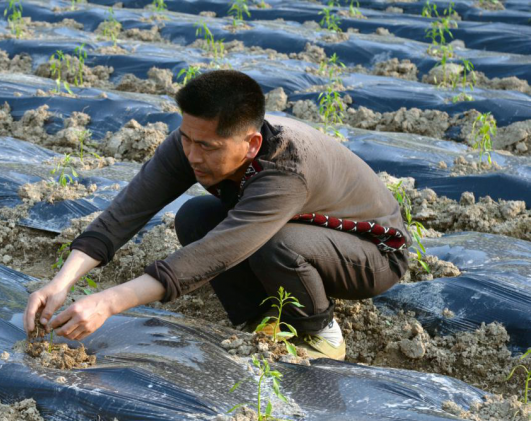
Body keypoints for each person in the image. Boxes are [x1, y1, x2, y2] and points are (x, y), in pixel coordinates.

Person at [23, 69, 411, 360]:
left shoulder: (287, 169)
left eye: (207, 146)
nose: (192, 155)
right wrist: (61, 282)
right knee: (195, 216)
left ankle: (320, 334)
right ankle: (259, 320)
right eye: (186, 138)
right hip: (303, 231)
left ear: (251, 143)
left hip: (372, 255)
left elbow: (219, 251)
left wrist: (108, 302)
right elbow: (129, 208)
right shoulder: (192, 142)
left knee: (276, 244)